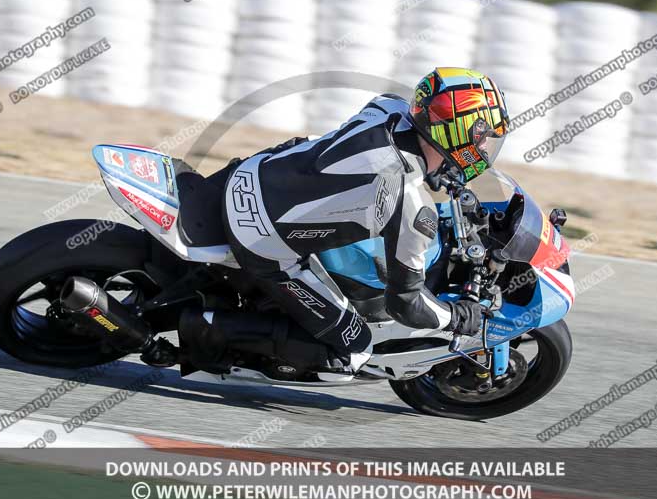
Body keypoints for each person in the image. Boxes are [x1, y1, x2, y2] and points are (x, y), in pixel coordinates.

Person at [187, 67, 510, 379]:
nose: (484, 148)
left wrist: (436, 171)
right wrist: (456, 317)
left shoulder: (388, 107)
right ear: (456, 132)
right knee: (354, 349)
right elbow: (406, 304)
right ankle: (207, 328)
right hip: (259, 238)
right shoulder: (411, 203)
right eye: (482, 137)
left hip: (250, 172)